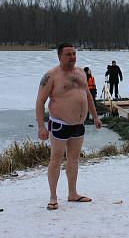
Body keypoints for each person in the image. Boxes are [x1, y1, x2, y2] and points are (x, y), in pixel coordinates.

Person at [36, 43, 102, 211]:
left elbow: (88, 95)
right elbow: (40, 102)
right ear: (60, 57)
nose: (72, 57)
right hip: (59, 124)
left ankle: (72, 193)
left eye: (74, 54)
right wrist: (41, 127)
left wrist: (95, 117)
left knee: (73, 160)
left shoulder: (81, 72)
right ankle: (53, 197)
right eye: (68, 54)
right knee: (56, 160)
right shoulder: (51, 76)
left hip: (79, 124)